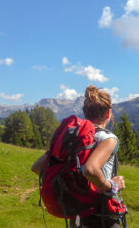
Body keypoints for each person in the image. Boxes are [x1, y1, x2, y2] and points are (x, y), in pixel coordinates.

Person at [32, 85, 126, 228]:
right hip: (101, 216)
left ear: (85, 112)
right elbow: (90, 169)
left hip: (77, 214)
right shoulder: (107, 138)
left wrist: (75, 186)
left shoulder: (72, 138)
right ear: (108, 113)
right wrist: (112, 185)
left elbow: (37, 167)